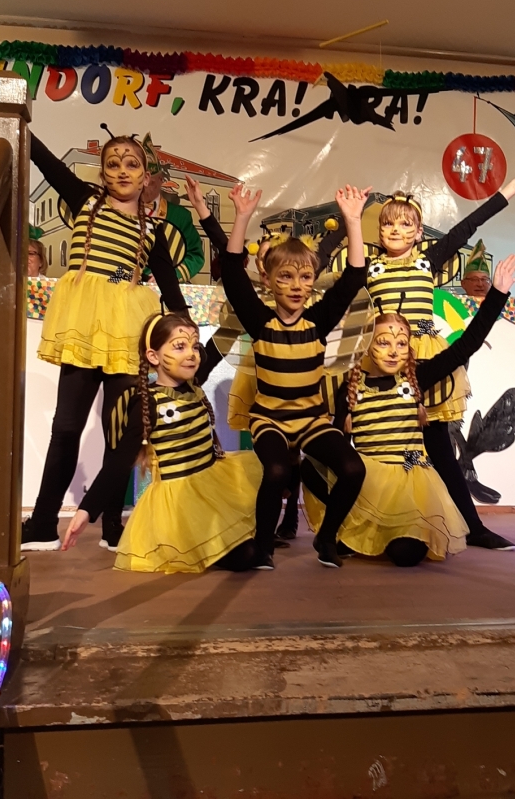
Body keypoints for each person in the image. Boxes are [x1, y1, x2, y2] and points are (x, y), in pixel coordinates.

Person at [22, 132, 188, 552]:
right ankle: (43, 523)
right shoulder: (85, 201)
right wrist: (16, 112)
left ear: (146, 176)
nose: (122, 171)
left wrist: (186, 334)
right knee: (65, 427)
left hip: (127, 331)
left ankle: (113, 526)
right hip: (83, 327)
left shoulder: (153, 229)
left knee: (120, 433)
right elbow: (44, 159)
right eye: (113, 164)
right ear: (102, 173)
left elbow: (168, 286)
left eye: (132, 164)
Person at [303, 254, 515, 566]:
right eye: (383, 343)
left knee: (407, 555)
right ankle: (342, 528)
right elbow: (338, 447)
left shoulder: (416, 378)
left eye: (401, 344)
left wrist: (497, 293)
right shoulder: (351, 387)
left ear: (410, 349)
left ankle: (388, 530)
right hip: (369, 483)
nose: (393, 352)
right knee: (311, 466)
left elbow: (466, 344)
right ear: (367, 345)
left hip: (407, 483)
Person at [367, 176, 515, 550]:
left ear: (418, 233)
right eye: (388, 223)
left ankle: (473, 527)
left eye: (406, 224)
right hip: (384, 359)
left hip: (423, 359)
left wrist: (509, 191)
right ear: (379, 231)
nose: (396, 230)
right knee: (373, 442)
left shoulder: (426, 261)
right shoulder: (369, 268)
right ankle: (356, 525)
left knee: (439, 446)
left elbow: (466, 228)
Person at [219, 183, 370, 570]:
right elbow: (232, 271)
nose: (297, 286)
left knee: (353, 469)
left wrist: (353, 221)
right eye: (285, 277)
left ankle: (326, 536)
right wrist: (242, 217)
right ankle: (263, 547)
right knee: (277, 470)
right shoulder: (260, 320)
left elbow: (354, 275)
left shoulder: (318, 322)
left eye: (305, 277)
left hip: (311, 420)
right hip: (269, 419)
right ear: (269, 281)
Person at [62, 312, 263, 572]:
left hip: (213, 486)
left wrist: (239, 314)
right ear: (154, 356)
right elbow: (118, 463)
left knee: (255, 541)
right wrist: (86, 510)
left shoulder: (194, 383)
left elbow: (218, 345)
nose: (191, 354)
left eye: (194, 346)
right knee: (246, 556)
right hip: (180, 503)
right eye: (179, 346)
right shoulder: (149, 403)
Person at [140, 133, 205, 284]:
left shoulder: (180, 216)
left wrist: (171, 276)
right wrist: (120, 279)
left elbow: (196, 256)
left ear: (161, 180)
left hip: (169, 289)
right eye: (141, 181)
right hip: (130, 289)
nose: (145, 186)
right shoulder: (121, 213)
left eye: (151, 182)